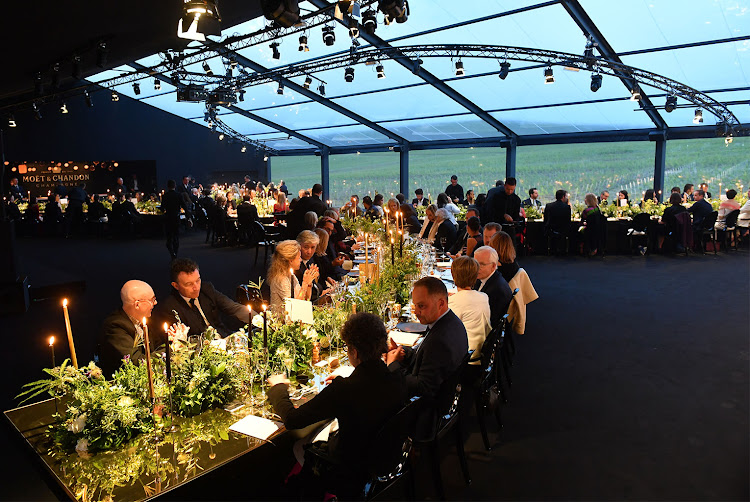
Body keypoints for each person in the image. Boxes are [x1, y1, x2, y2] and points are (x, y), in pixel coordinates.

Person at [268, 312, 407, 498]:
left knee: (300, 444)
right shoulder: (396, 376)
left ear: (354, 352)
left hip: (348, 471)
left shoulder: (344, 390)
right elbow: (370, 385)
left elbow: (293, 420)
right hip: (385, 459)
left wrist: (278, 388)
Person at [386, 277, 468, 400]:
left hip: (428, 408)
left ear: (441, 303)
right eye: (415, 306)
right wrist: (402, 351)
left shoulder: (439, 341)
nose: (416, 312)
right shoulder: (449, 321)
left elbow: (423, 387)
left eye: (421, 306)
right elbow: (424, 356)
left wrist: (392, 365)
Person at [154, 258, 250, 338]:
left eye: (198, 280)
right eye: (189, 284)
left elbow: (233, 307)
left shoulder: (206, 289)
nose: (196, 287)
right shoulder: (169, 307)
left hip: (224, 337)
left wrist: (261, 320)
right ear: (176, 286)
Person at [99, 280, 159, 378]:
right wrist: (172, 349)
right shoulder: (115, 326)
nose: (155, 303)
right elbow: (137, 363)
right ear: (137, 305)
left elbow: (155, 348)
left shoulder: (146, 320)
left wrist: (171, 339)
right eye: (152, 300)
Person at [448, 256, 491, 368]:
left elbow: (445, 331)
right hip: (480, 353)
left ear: (453, 275)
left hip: (464, 359)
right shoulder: (484, 297)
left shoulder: (453, 303)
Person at [268, 240, 319, 313]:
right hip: (283, 322)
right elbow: (294, 309)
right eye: (299, 258)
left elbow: (306, 299)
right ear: (290, 260)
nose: (301, 260)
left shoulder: (291, 275)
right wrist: (304, 283)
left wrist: (309, 283)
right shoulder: (280, 279)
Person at [473, 246, 512, 328]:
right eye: (475, 263)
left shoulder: (497, 290)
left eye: (482, 264)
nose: (476, 268)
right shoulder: (483, 278)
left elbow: (486, 321)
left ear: (493, 266)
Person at [162, 180, 189, 259]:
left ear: (168, 186)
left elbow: (162, 207)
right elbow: (184, 206)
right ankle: (175, 254)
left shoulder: (165, 196)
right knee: (176, 237)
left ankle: (172, 253)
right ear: (175, 186)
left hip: (168, 218)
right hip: (176, 218)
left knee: (169, 238)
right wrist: (189, 217)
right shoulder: (179, 195)